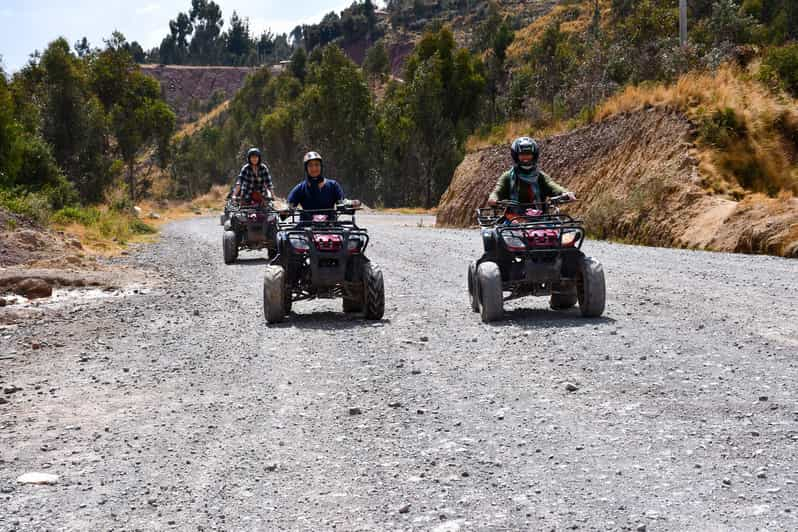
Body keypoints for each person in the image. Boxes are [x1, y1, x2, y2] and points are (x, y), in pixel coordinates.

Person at [488, 137, 575, 208]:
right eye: (522, 154)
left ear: (534, 155)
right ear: (516, 156)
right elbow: (497, 191)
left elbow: (552, 186)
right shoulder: (507, 176)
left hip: (541, 220)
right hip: (513, 220)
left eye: (529, 154)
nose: (526, 157)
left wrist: (565, 193)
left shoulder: (540, 176)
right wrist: (493, 198)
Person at [286, 151, 345, 220]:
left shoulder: (333, 186)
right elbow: (289, 208)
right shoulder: (300, 188)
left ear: (321, 166)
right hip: (305, 227)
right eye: (310, 165)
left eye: (317, 165)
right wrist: (284, 209)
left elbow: (342, 204)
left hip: (330, 226)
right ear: (306, 168)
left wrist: (352, 204)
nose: (314, 168)